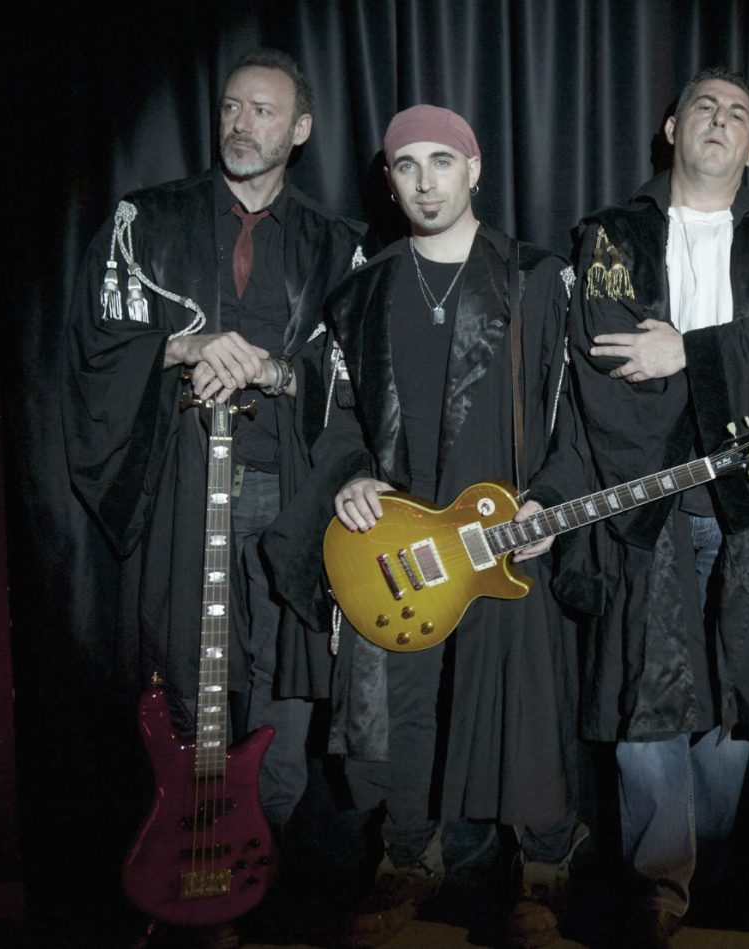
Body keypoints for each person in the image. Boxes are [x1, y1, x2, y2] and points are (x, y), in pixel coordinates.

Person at [262, 105, 588, 949]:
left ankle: (542, 866)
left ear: (474, 169)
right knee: (403, 703)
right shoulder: (362, 293)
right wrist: (350, 477)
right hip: (404, 543)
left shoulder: (538, 279)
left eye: (443, 161)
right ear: (389, 180)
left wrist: (551, 498)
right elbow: (337, 419)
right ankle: (407, 857)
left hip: (507, 532)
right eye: (406, 166)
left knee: (523, 701)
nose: (425, 181)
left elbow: (576, 411)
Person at [549, 67, 749, 948]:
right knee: (648, 685)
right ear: (672, 129)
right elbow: (608, 361)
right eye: (703, 106)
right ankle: (658, 881)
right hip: (650, 504)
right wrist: (714, 381)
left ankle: (705, 857)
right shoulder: (612, 236)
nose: (718, 119)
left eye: (737, 113)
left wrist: (689, 351)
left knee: (734, 687)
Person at [64, 47, 363, 846]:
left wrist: (274, 370)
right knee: (183, 665)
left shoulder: (338, 247)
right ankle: (191, 842)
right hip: (181, 481)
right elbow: (95, 348)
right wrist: (184, 347)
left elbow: (362, 381)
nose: (241, 123)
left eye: (263, 111)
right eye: (232, 107)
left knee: (285, 671)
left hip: (289, 487)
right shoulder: (143, 223)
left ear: (300, 129)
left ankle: (259, 848)